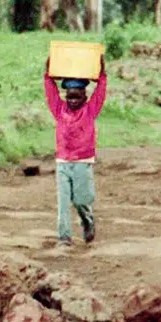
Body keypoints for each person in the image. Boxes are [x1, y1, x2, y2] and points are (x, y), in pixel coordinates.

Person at [43, 57, 108, 246]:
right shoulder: (58, 109)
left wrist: (102, 73)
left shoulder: (90, 110)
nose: (72, 101)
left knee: (81, 200)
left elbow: (101, 92)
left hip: (83, 161)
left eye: (76, 97)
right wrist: (48, 72)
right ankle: (64, 237)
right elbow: (50, 91)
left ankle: (88, 222)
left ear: (85, 97)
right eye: (69, 96)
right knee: (63, 202)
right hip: (63, 162)